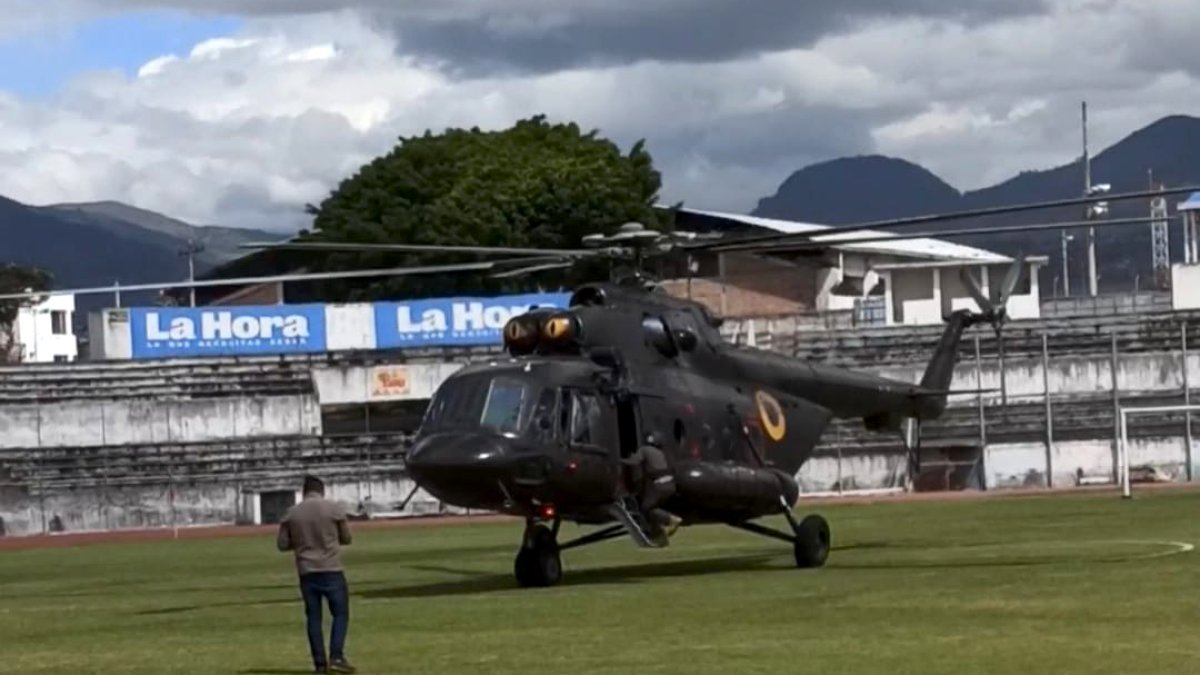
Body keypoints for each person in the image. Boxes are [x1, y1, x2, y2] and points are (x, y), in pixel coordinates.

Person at [277, 475, 356, 674]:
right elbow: (346, 538)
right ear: (322, 490)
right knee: (340, 613)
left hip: (307, 571)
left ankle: (319, 664)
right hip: (331, 568)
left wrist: (302, 543)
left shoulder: (292, 513)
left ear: (304, 492)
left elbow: (282, 544)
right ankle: (336, 656)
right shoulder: (333, 509)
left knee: (313, 617)